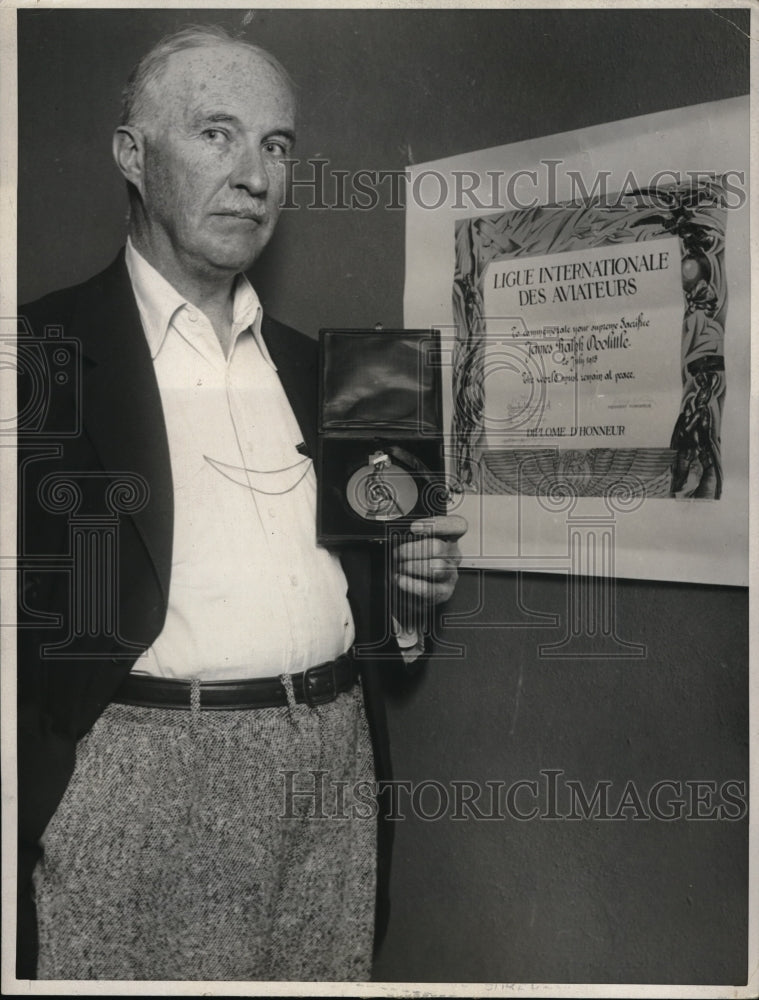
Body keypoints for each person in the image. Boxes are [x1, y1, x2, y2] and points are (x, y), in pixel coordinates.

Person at [16, 24, 466, 982]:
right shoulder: (37, 352)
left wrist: (409, 601)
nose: (255, 174)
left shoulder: (332, 371)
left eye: (276, 145)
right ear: (132, 156)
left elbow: (362, 586)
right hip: (136, 778)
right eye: (216, 133)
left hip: (335, 763)